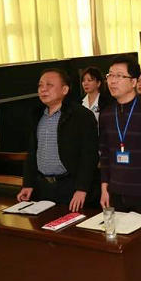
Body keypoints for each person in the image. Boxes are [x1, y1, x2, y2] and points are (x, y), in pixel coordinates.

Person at [17, 69, 98, 211]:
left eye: (49, 85)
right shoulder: (36, 114)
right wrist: (28, 184)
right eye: (40, 85)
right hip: (42, 187)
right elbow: (32, 152)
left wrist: (82, 188)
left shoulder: (81, 115)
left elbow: (89, 155)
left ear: (65, 89)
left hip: (70, 186)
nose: (43, 89)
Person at [99, 56, 141, 214]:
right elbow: (105, 155)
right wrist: (104, 188)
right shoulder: (106, 114)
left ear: (133, 82)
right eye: (110, 75)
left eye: (119, 76)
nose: (112, 81)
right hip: (115, 192)